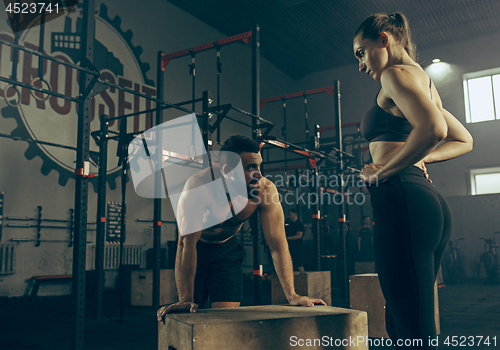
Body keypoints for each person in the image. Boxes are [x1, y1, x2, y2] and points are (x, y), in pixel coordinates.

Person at [353, 12, 473, 349]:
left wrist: (384, 169)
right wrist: (417, 158)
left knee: (412, 326)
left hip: (404, 200)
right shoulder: (422, 82)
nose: (361, 65)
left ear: (384, 40)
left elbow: (434, 130)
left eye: (361, 52)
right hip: (423, 201)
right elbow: (463, 139)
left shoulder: (394, 74)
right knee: (405, 317)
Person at [157, 135, 326, 320]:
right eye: (251, 167)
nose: (259, 173)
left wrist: (292, 295)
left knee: (225, 319)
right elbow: (185, 244)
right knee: (189, 314)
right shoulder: (199, 187)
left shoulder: (265, 190)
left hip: (227, 252)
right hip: (196, 249)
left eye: (259, 166)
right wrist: (185, 298)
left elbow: (277, 244)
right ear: (229, 170)